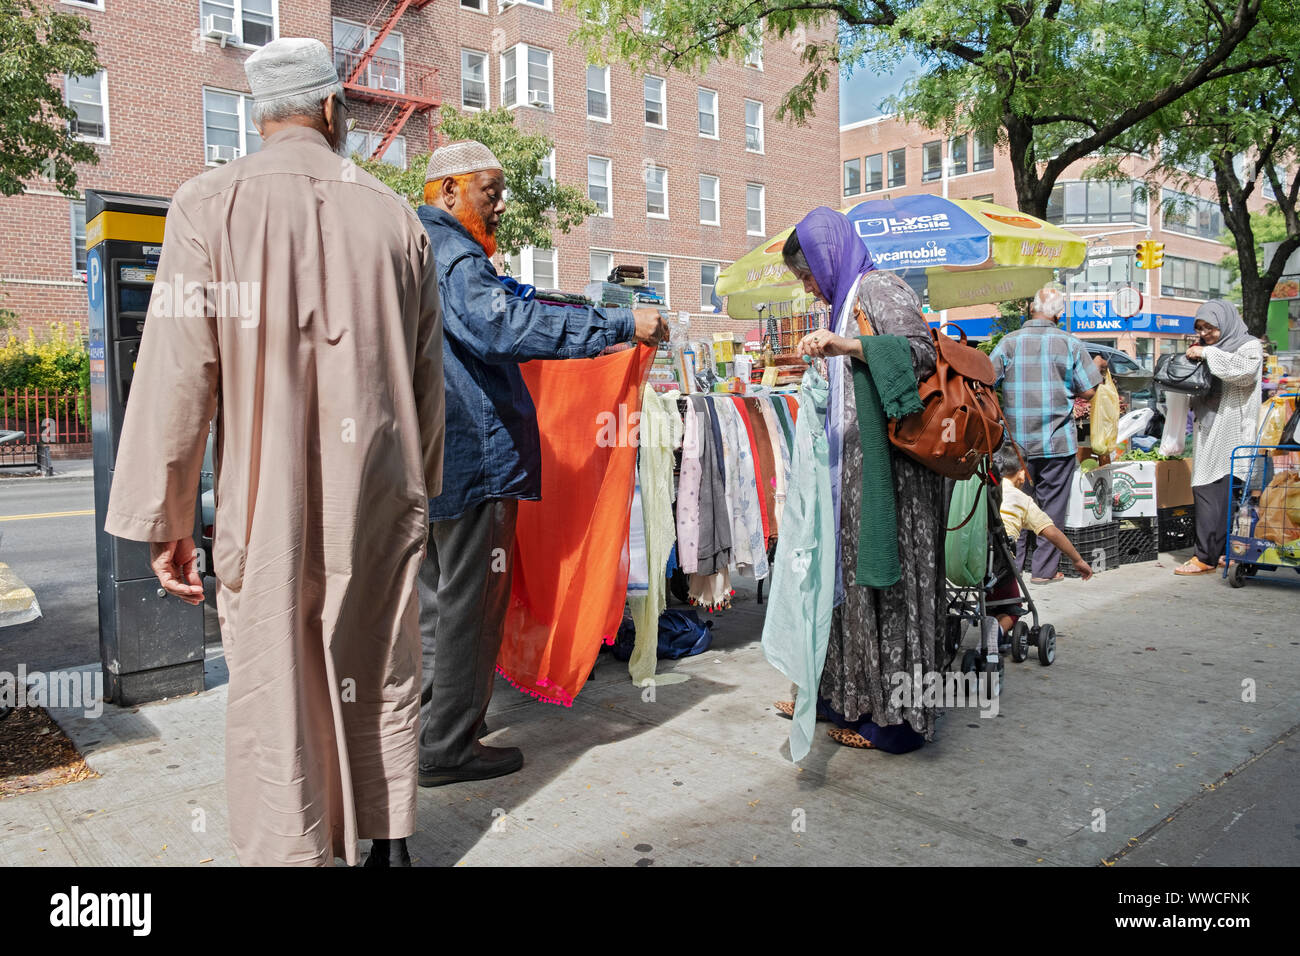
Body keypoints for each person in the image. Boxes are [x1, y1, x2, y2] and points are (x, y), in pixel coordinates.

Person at [103, 38, 443, 867]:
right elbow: (430, 375)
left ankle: (297, 849)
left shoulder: (207, 204)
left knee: (275, 669)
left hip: (268, 489)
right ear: (332, 111)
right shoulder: (396, 215)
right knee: (381, 653)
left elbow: (180, 371)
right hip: (383, 482)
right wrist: (421, 484)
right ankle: (389, 840)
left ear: (262, 116)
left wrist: (167, 515)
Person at [414, 141, 667, 786]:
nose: (500, 205)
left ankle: (422, 731)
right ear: (448, 190)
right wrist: (617, 327)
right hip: (472, 457)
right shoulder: (455, 255)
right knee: (469, 609)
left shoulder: (414, 248)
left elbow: (515, 303)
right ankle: (449, 748)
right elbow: (503, 325)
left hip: (426, 459)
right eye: (489, 191)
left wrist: (587, 312)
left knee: (434, 607)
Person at [772, 207, 943, 754]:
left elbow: (919, 353)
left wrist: (847, 347)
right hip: (852, 475)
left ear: (827, 259)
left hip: (891, 477)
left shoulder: (879, 287)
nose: (809, 288)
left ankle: (896, 722)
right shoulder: (845, 303)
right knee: (845, 587)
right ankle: (846, 695)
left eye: (808, 277)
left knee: (890, 592)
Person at [990, 286, 1102, 582]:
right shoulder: (1070, 343)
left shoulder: (1009, 343)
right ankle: (1044, 571)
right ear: (1060, 314)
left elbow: (987, 381)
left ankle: (1015, 566)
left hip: (1015, 445)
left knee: (1015, 502)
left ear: (1030, 308)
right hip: (1056, 441)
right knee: (1051, 507)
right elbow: (1089, 390)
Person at [1173, 300, 1263, 575]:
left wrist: (1208, 353)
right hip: (1210, 428)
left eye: (1209, 327)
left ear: (1224, 323)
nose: (1204, 333)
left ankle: (1206, 557)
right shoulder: (1211, 350)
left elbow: (1244, 374)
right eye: (1200, 328)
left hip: (1234, 429)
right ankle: (1220, 553)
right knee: (1212, 490)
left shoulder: (1248, 346)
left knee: (1215, 491)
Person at [988, 444, 1093, 639]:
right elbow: (1052, 532)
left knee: (990, 600)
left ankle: (991, 621)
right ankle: (994, 636)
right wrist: (1077, 560)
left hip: (971, 558)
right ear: (1021, 474)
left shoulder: (983, 491)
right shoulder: (1022, 499)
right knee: (1013, 608)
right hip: (1001, 565)